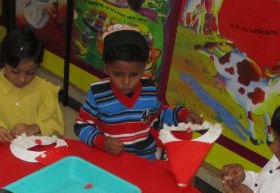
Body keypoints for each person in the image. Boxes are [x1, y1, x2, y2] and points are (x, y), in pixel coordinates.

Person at [74, 24, 202, 160]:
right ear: (106, 68)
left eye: (134, 74)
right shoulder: (97, 93)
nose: (126, 82)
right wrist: (102, 142)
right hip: (109, 157)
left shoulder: (149, 89)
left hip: (144, 158)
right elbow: (81, 126)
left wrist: (182, 115)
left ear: (143, 68)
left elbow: (159, 116)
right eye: (118, 74)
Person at [0, 26, 65, 143]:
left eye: (30, 73)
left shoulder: (46, 91)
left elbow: (56, 124)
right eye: (15, 71)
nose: (22, 79)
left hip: (33, 151)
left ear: (38, 67)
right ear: (4, 62)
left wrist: (36, 127)